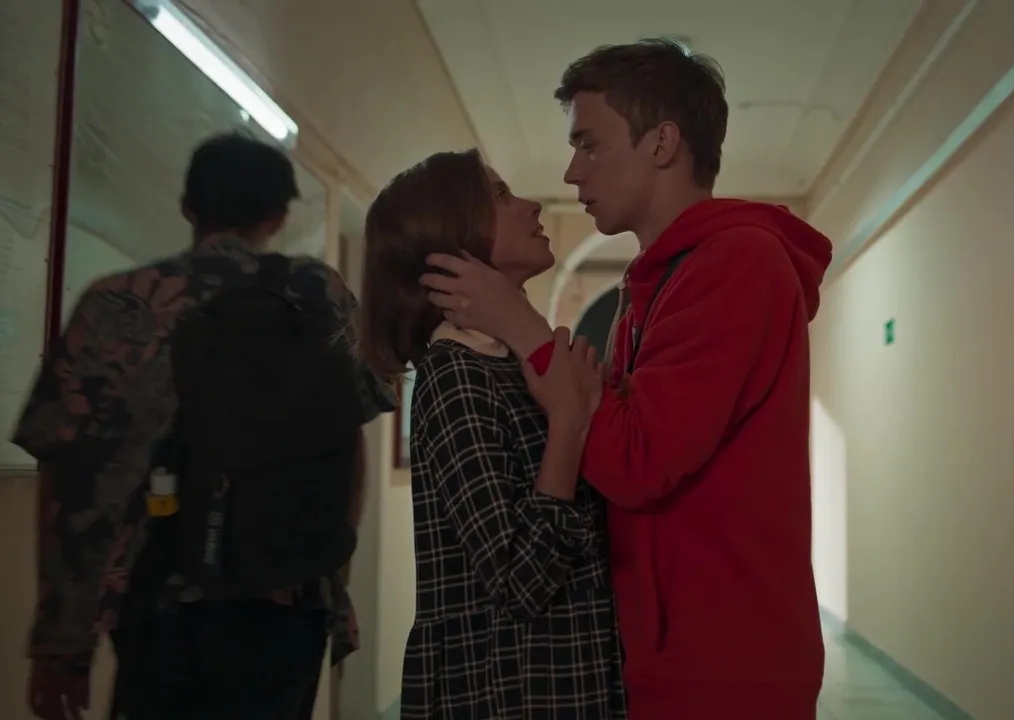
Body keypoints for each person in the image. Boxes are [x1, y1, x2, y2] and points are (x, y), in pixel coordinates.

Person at [419, 39, 833, 719]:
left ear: (661, 143)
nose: (572, 171)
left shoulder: (738, 262)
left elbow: (639, 460)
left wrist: (523, 326)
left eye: (589, 145)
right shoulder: (653, 287)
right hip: (675, 653)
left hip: (727, 666)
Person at [13, 131, 394, 720]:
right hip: (290, 602)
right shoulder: (321, 295)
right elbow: (350, 450)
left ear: (188, 207)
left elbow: (73, 481)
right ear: (278, 215)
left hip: (162, 604)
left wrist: (62, 645)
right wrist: (328, 581)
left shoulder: (121, 303)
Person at [357, 149, 626, 719]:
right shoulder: (456, 373)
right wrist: (568, 422)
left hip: (561, 681)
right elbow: (521, 581)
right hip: (511, 693)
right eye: (501, 196)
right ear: (453, 241)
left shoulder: (509, 361)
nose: (531, 206)